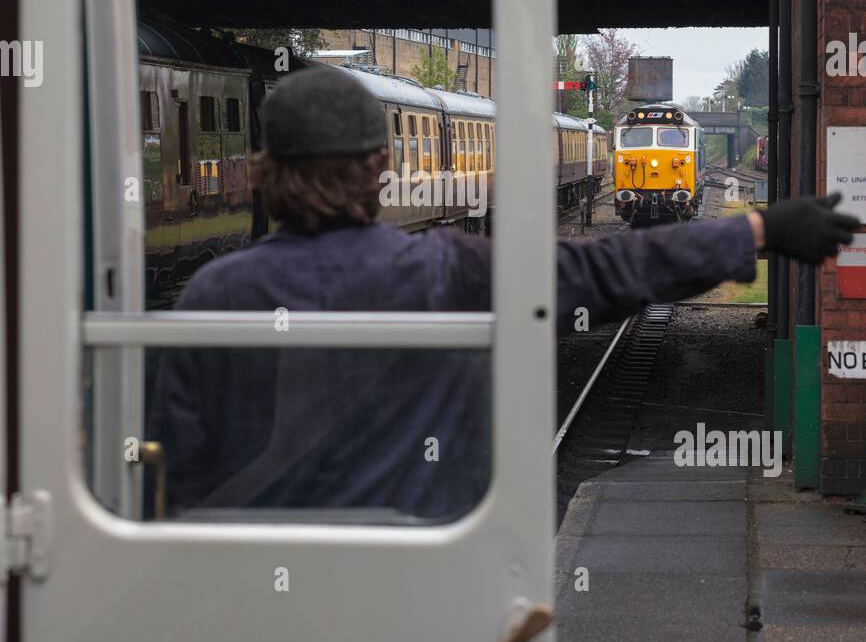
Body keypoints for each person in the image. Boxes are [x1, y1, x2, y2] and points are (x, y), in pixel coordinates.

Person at [151, 65, 859, 520]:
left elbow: (178, 475)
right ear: (380, 168)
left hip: (248, 614)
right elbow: (607, 272)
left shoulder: (211, 295)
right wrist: (758, 231)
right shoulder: (446, 271)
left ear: (263, 169)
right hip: (421, 600)